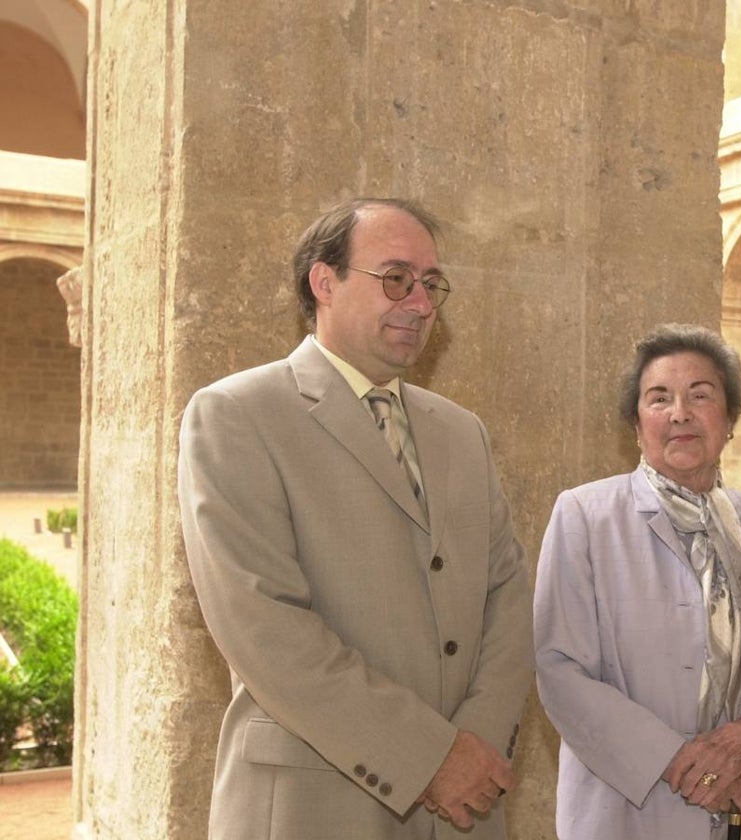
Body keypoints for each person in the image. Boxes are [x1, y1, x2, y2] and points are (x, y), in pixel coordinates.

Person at [178, 198, 533, 840]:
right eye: (396, 278)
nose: (420, 303)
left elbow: (507, 594)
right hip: (316, 804)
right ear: (324, 281)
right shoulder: (236, 414)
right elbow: (264, 626)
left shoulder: (461, 431)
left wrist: (474, 742)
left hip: (465, 808)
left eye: (431, 285)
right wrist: (431, 756)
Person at [534, 323, 741, 839]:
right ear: (636, 422)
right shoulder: (584, 516)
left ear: (730, 418)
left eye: (700, 395)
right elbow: (561, 671)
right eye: (659, 398)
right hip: (627, 811)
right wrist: (691, 766)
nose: (680, 413)